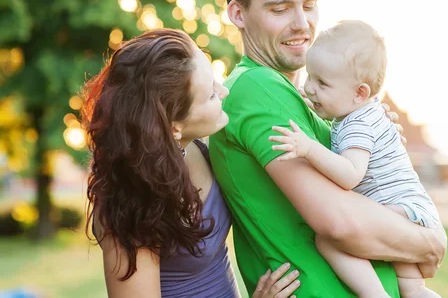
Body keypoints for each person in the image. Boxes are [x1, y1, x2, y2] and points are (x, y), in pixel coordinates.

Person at [209, 0, 447, 297]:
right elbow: (340, 223)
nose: (302, 23)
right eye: (280, 8)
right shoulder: (257, 88)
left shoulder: (314, 103)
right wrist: (428, 244)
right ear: (238, 14)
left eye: (309, 4)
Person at [81, 29, 300, 298]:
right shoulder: (129, 202)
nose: (224, 92)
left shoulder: (201, 148)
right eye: (210, 95)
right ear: (173, 126)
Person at [269, 21, 443, 298]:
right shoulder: (364, 111)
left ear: (359, 93)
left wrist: (309, 148)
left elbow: (351, 174)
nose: (311, 89)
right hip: (412, 209)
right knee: (414, 289)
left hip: (398, 210)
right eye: (310, 77)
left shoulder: (356, 124)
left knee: (327, 240)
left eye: (322, 83)